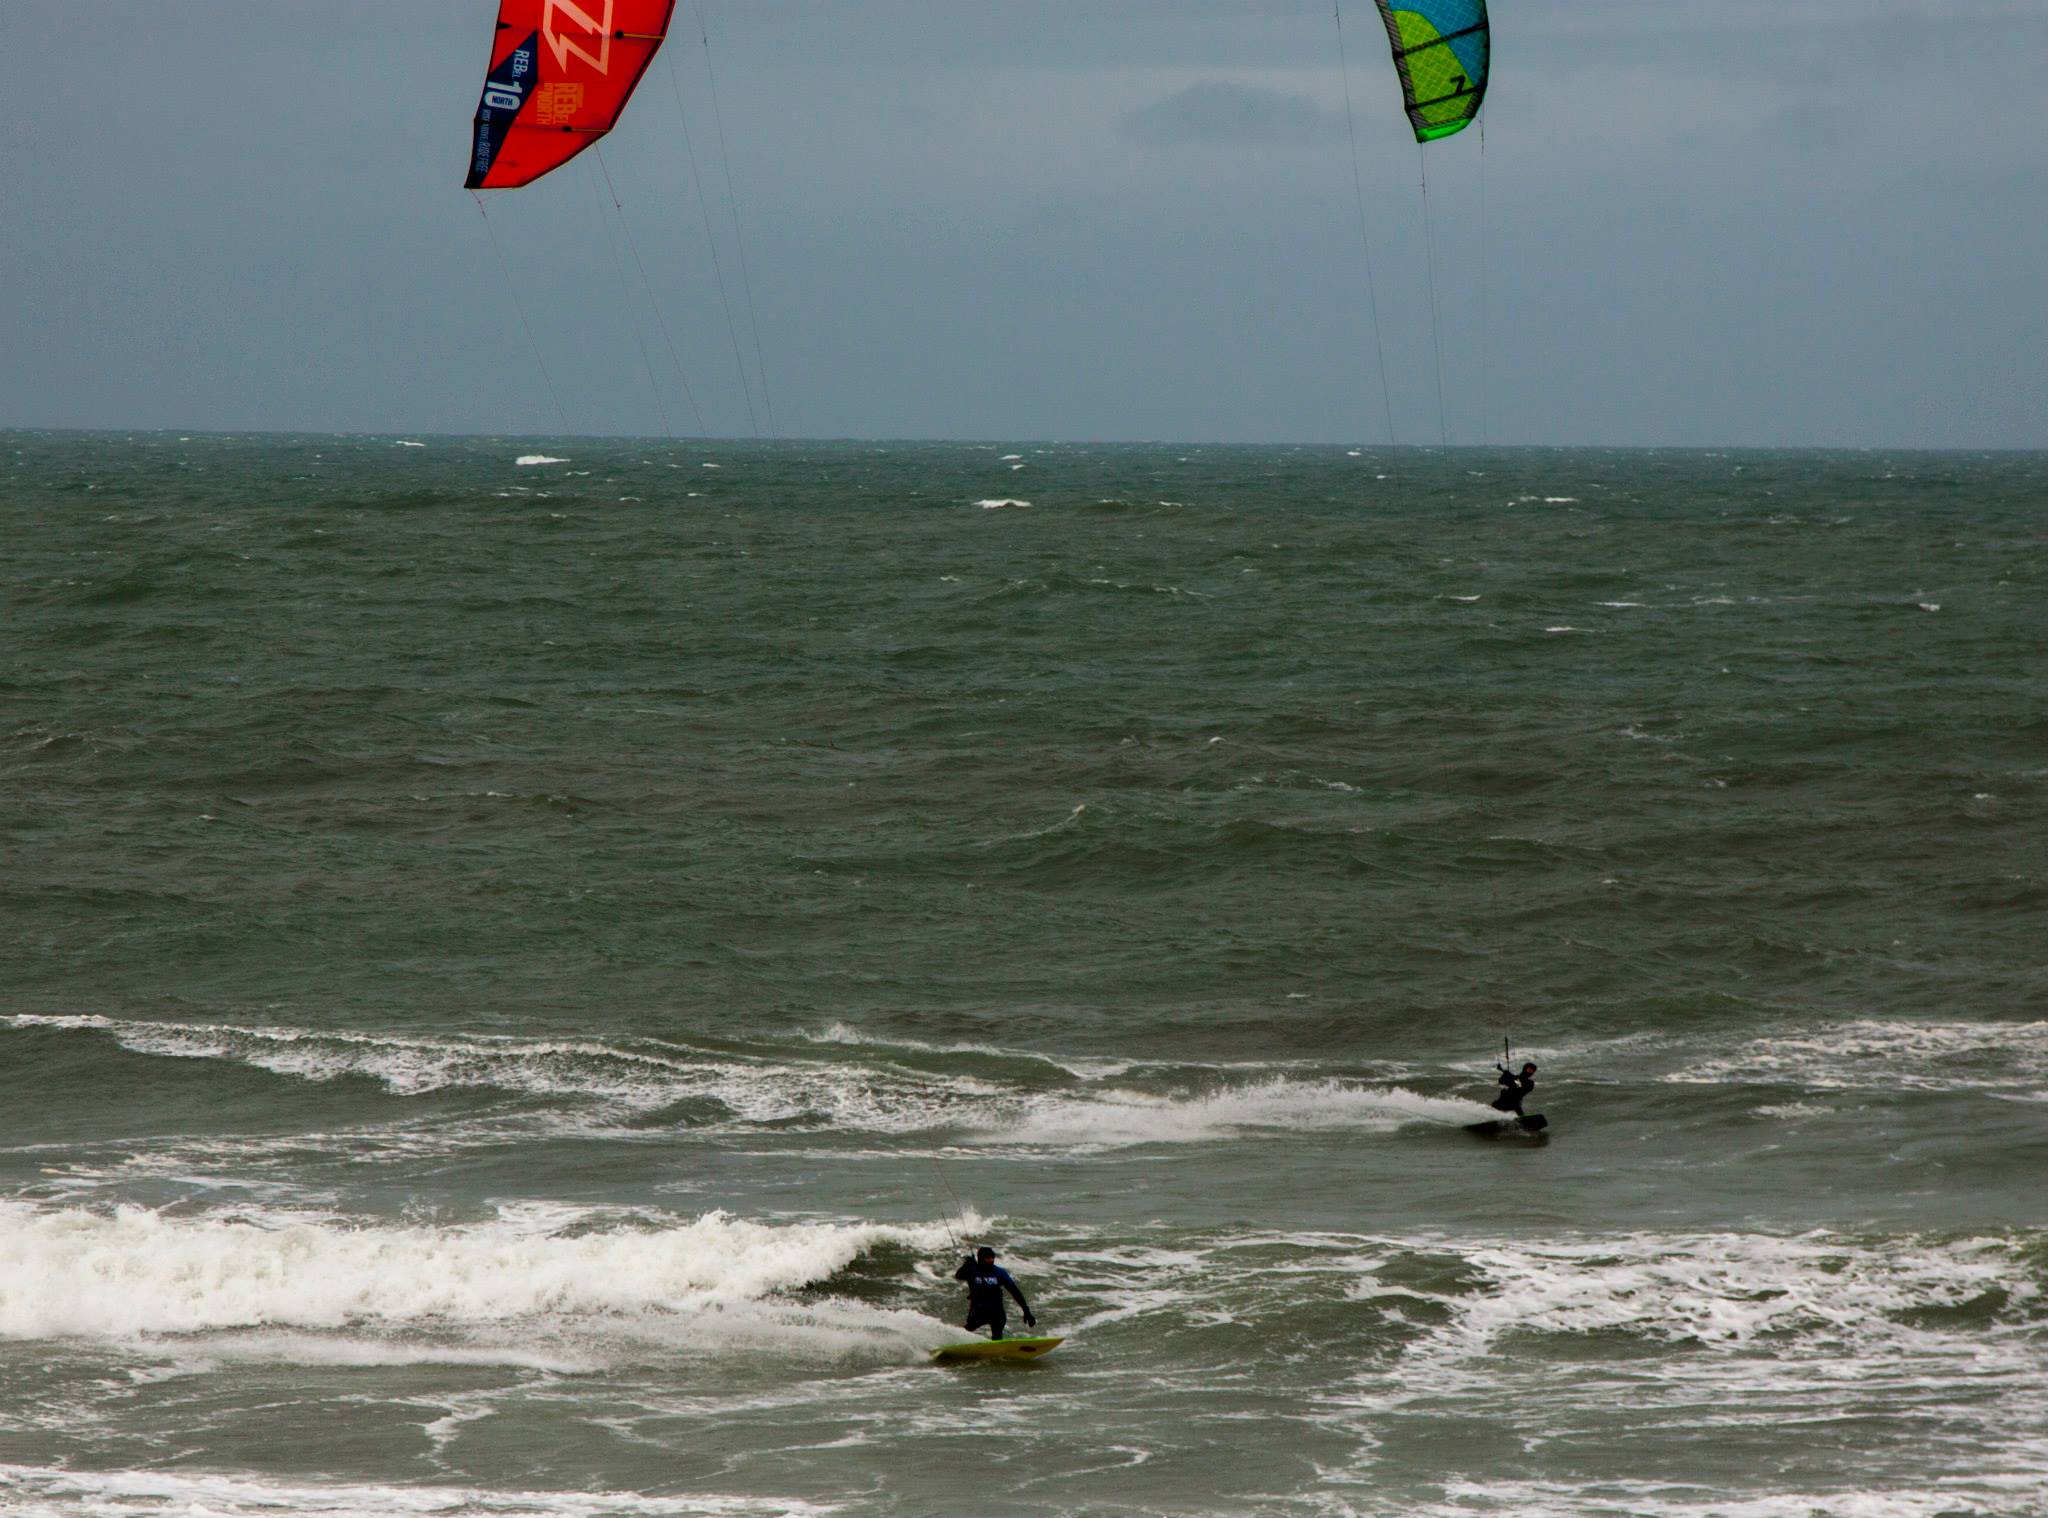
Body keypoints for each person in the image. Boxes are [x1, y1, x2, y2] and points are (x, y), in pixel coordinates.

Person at [954, 1245, 1036, 1340]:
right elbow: (959, 1276)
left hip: (997, 1312)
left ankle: (997, 1351)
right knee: (965, 1332)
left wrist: (1026, 1311)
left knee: (997, 1337)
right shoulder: (973, 1270)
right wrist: (966, 1265)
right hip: (979, 1312)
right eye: (987, 1258)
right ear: (980, 1259)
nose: (990, 1260)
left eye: (992, 1257)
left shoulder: (999, 1273)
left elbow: (1015, 1292)